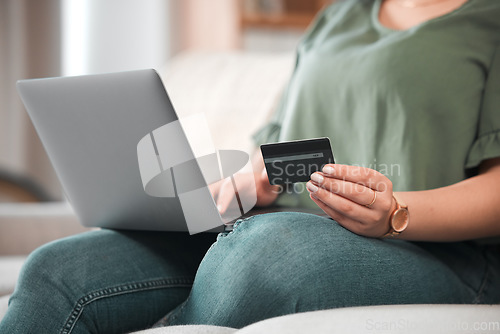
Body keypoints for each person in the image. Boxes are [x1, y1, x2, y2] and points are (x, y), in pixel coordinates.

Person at [1, 0, 500, 333]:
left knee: (260, 256)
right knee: (56, 270)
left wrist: (394, 212)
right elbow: (287, 140)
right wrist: (253, 178)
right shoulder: (341, 14)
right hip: (274, 227)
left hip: (441, 254)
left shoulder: (488, 19)